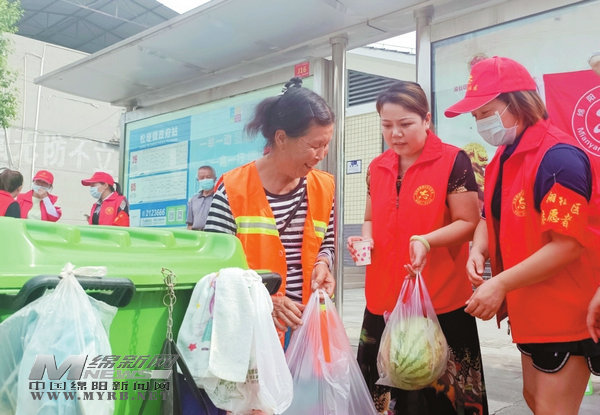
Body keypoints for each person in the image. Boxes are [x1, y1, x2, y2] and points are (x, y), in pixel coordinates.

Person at [445, 56, 600, 415]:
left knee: (552, 408)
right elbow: (489, 217)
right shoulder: (504, 157)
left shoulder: (559, 158)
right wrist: (479, 250)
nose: (480, 123)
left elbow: (567, 246)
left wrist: (500, 284)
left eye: (486, 112)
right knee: (534, 399)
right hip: (529, 308)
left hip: (566, 310)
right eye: (476, 116)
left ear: (517, 103)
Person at [347, 81, 487, 415]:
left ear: (426, 120)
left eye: (405, 124)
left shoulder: (453, 161)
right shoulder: (377, 167)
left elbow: (468, 222)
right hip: (383, 299)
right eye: (386, 125)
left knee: (441, 402)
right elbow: (370, 218)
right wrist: (365, 238)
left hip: (439, 301)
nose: (395, 134)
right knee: (383, 399)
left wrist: (427, 240)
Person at [204, 77, 335, 346]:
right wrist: (265, 300)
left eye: (326, 144)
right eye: (314, 145)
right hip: (254, 336)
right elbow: (216, 271)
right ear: (281, 138)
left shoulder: (324, 186)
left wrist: (324, 263)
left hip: (308, 331)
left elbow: (326, 244)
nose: (322, 154)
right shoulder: (233, 189)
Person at [186, 165, 216, 231]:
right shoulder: (194, 199)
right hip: (196, 235)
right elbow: (190, 224)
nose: (205, 179)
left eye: (208, 177)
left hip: (213, 234)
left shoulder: (219, 198)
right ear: (198, 180)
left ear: (215, 179)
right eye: (202, 178)